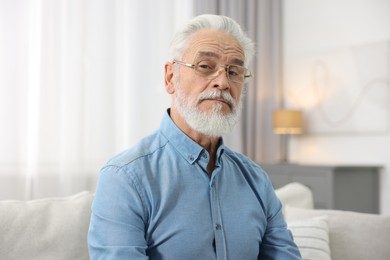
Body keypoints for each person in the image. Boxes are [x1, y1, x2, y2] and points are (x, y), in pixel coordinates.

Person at [88, 14, 301, 259]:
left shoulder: (256, 180)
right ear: (170, 77)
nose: (222, 82)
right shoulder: (124, 177)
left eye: (234, 71)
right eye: (205, 67)